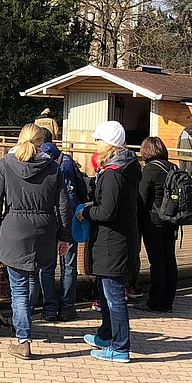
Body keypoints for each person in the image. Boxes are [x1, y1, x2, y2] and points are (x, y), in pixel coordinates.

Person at [0, 123, 71, 360]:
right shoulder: (53, 167)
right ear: (42, 142)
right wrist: (64, 236)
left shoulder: (6, 164)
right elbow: (64, 205)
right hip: (44, 230)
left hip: (14, 229)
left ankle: (23, 338)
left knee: (18, 288)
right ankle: (27, 323)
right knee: (34, 276)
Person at [77, 120, 140, 363]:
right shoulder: (123, 169)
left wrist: (86, 212)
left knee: (114, 297)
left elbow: (107, 212)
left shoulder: (113, 174)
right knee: (105, 293)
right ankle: (106, 334)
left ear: (109, 144)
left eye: (99, 140)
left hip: (113, 243)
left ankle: (120, 346)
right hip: (115, 240)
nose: (96, 144)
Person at [38, 132, 84, 322]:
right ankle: (67, 308)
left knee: (46, 266)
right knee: (69, 265)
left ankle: (49, 308)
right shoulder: (66, 160)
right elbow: (81, 187)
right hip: (69, 217)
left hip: (47, 219)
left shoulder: (37, 160)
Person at [134, 137, 179, 313]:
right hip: (171, 220)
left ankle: (155, 301)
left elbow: (142, 199)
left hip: (153, 221)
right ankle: (168, 301)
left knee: (157, 262)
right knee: (169, 260)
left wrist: (137, 222)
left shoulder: (150, 170)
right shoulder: (173, 167)